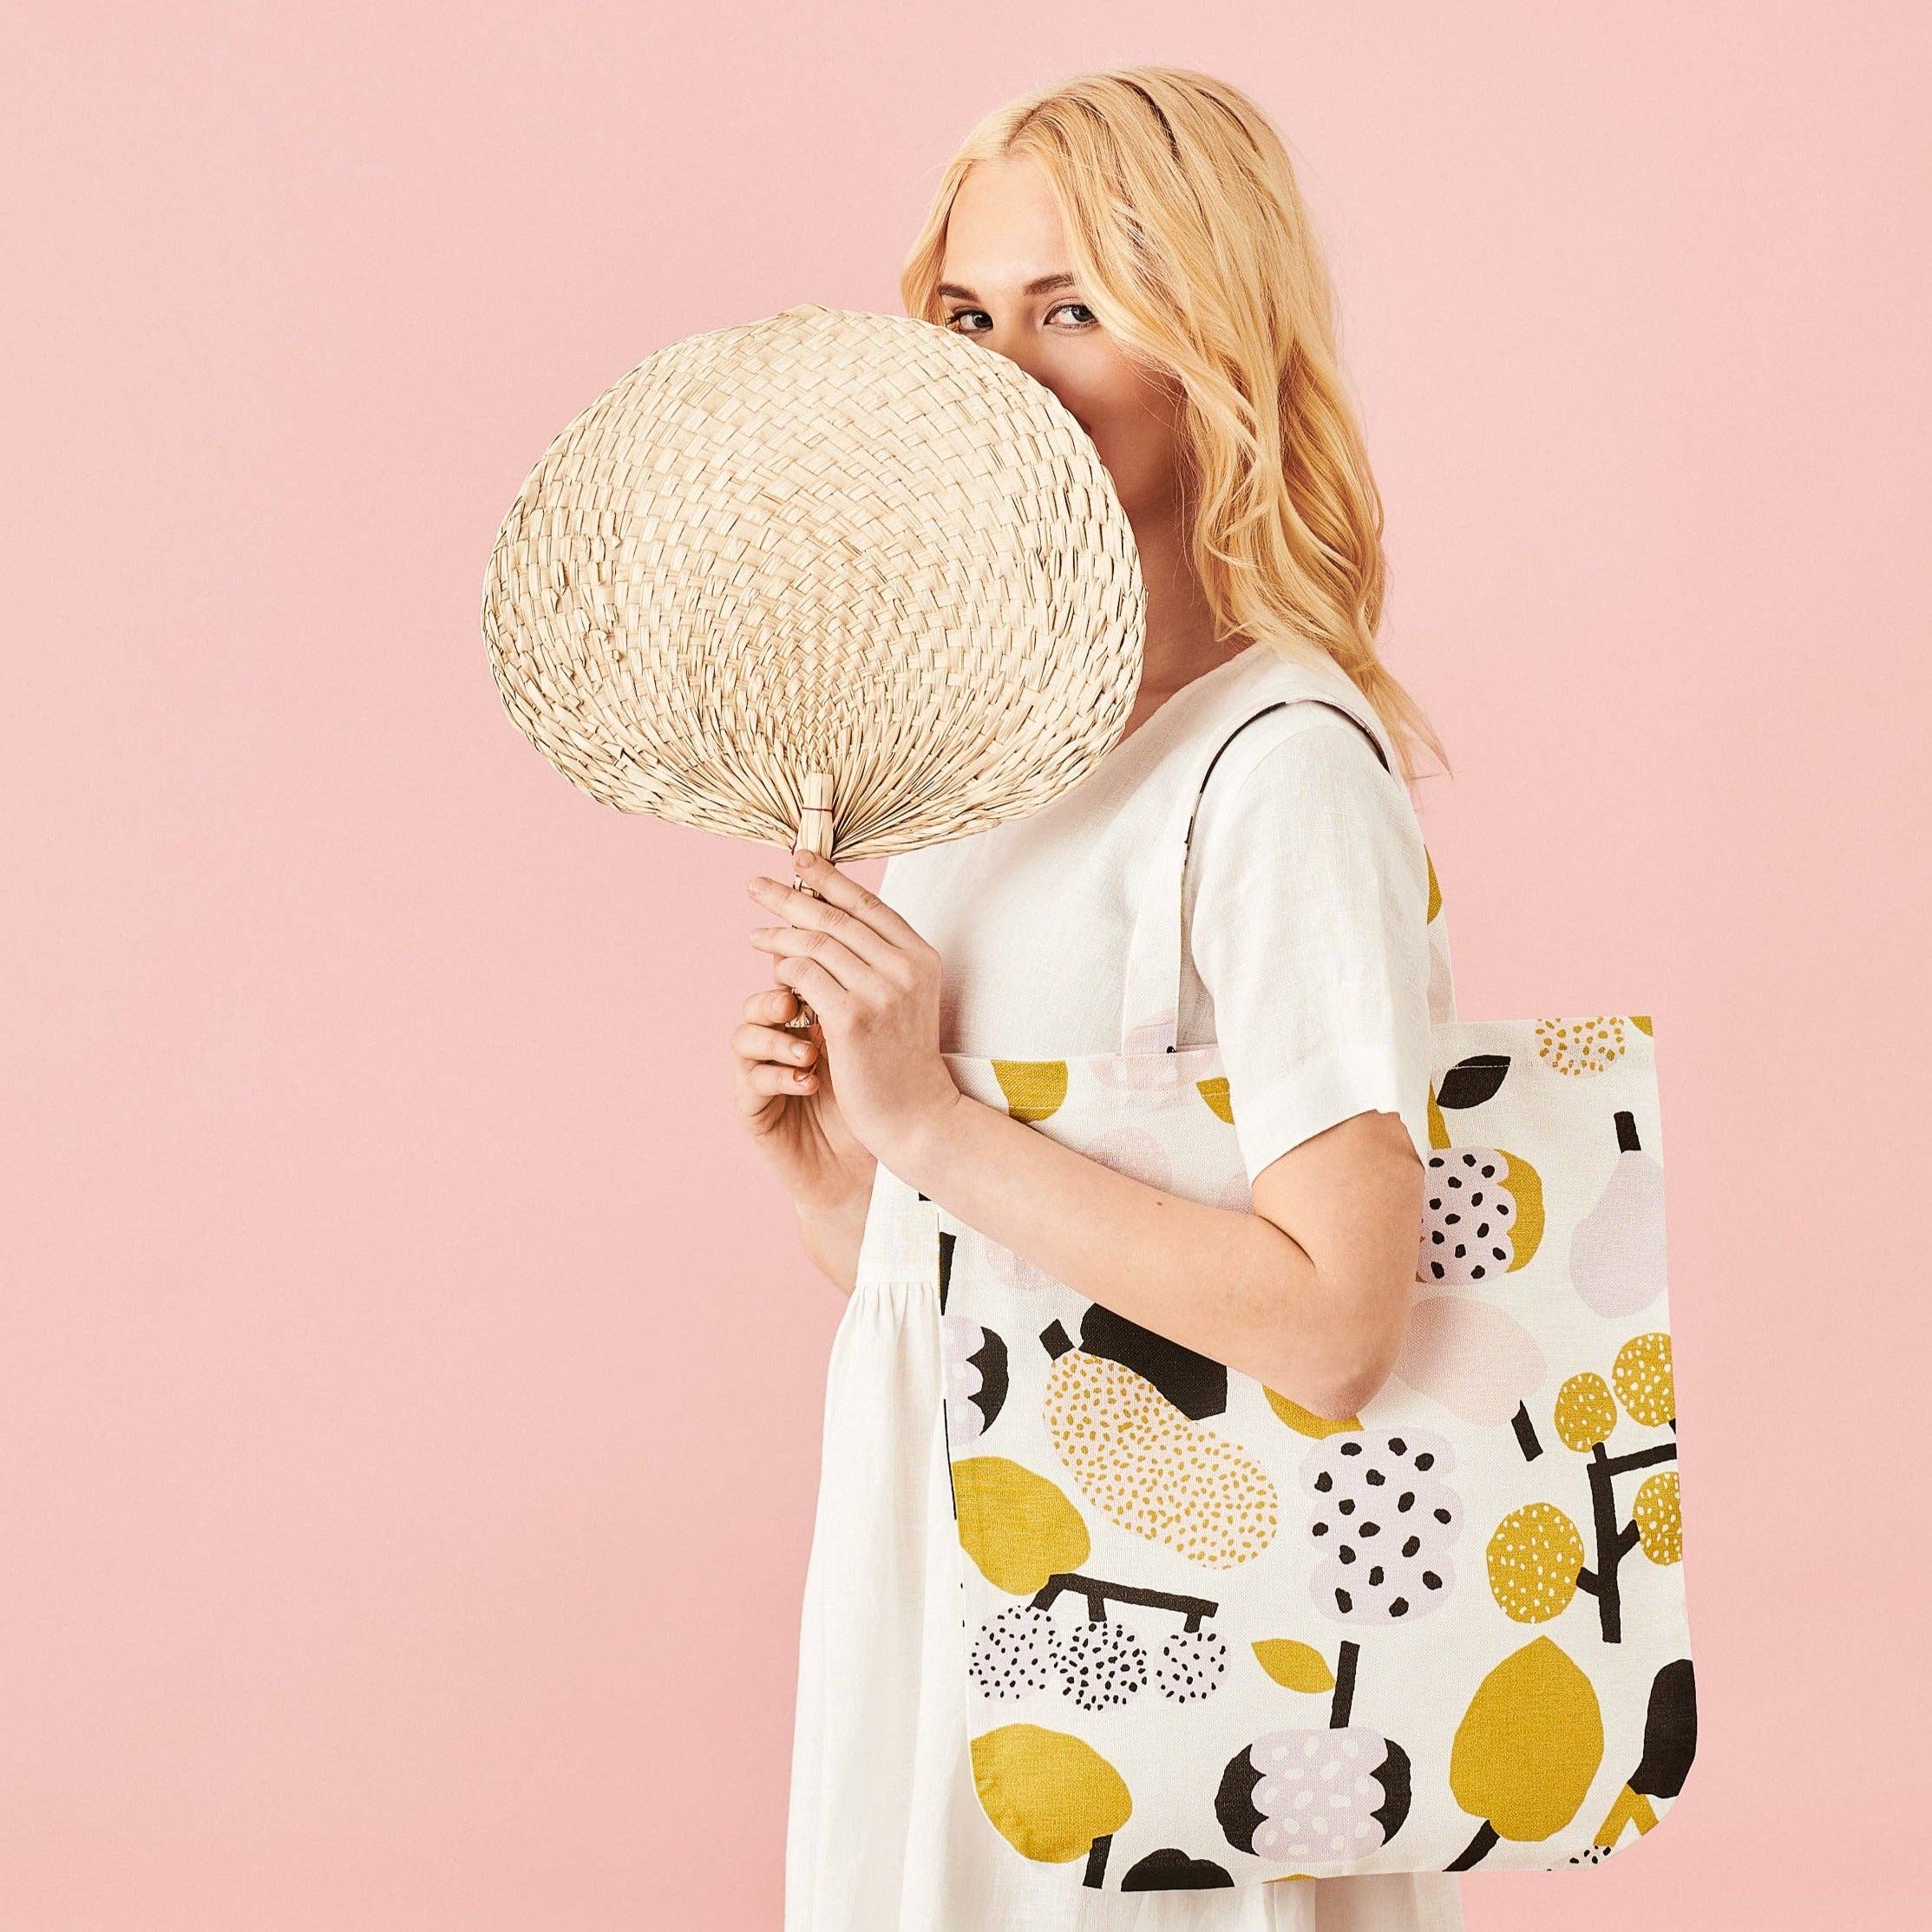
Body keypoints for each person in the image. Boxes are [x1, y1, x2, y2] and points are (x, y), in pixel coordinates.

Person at [734, 65, 1463, 1932]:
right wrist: (847, 1182)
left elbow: (1335, 1324)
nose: (1008, 370)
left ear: (1213, 346)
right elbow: (1010, 1308)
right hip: (958, 1638)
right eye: (971, 316)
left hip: (1169, 1699)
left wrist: (932, 1125)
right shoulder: (973, 768)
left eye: (1073, 309)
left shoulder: (1278, 768)